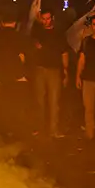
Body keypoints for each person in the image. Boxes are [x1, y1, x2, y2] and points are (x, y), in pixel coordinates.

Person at [0, 10, 30, 137]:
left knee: (4, 105)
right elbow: (23, 57)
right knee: (17, 105)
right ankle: (17, 132)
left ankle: (3, 132)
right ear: (15, 23)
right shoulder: (20, 37)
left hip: (1, 77)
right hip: (17, 77)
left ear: (2, 23)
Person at [32, 9, 69, 138]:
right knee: (39, 101)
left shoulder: (59, 34)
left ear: (52, 18)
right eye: (44, 19)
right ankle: (40, 128)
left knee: (54, 102)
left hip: (54, 70)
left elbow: (64, 52)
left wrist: (65, 71)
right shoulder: (38, 32)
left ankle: (54, 129)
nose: (46, 21)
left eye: (48, 18)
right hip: (40, 69)